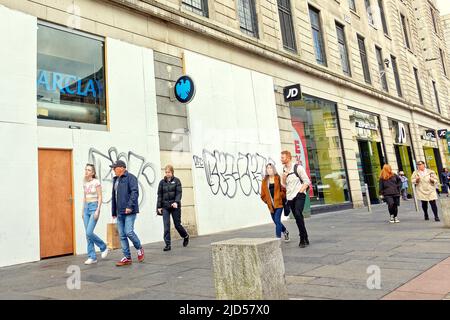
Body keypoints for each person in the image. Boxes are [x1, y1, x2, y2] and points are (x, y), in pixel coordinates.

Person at [111, 160, 145, 266]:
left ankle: (139, 248)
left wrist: (130, 206)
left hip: (129, 210)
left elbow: (135, 192)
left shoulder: (131, 177)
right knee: (122, 235)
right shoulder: (115, 180)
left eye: (114, 168)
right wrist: (114, 211)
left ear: (121, 168)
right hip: (119, 211)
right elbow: (114, 197)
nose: (113, 170)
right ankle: (127, 257)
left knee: (128, 232)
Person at [280, 151, 311, 248]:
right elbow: (284, 185)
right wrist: (284, 178)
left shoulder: (298, 168)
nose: (281, 159)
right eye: (281, 157)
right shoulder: (284, 170)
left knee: (298, 213)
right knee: (298, 217)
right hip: (290, 197)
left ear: (288, 158)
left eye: (283, 157)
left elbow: (307, 181)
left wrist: (301, 191)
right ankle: (305, 236)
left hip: (299, 195)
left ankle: (302, 238)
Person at [157, 165, 189, 252]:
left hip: (175, 206)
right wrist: (159, 207)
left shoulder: (177, 181)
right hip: (165, 207)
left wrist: (176, 202)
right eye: (166, 172)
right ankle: (168, 244)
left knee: (177, 225)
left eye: (169, 172)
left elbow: (179, 193)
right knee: (166, 226)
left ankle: (185, 236)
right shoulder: (162, 182)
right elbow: (159, 195)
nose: (167, 174)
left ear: (172, 172)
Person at [82, 164, 108, 264]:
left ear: (93, 172)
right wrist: (82, 211)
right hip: (86, 208)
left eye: (89, 170)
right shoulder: (84, 183)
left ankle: (103, 246)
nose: (86, 171)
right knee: (87, 235)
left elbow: (100, 196)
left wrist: (98, 210)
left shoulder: (96, 182)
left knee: (89, 232)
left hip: (94, 208)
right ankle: (92, 257)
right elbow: (84, 198)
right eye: (86, 170)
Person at [260, 163, 290, 241]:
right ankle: (285, 231)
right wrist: (267, 201)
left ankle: (277, 240)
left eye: (270, 168)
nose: (269, 169)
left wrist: (280, 196)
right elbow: (262, 194)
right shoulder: (264, 181)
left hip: (279, 204)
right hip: (271, 205)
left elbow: (284, 189)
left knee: (277, 220)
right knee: (276, 222)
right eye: (268, 168)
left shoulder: (278, 178)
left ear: (273, 169)